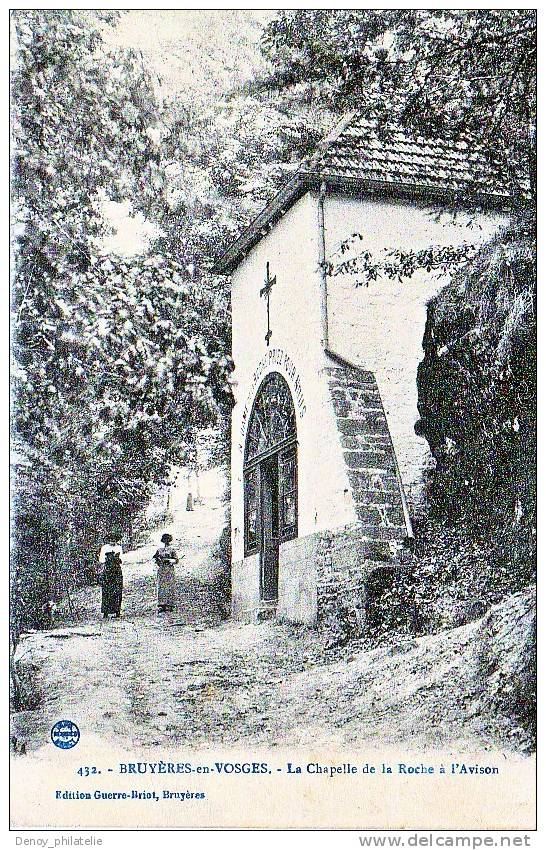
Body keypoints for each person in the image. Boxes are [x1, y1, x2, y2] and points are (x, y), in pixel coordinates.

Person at [154, 533, 179, 613]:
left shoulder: (172, 550)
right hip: (162, 569)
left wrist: (168, 560)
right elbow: (156, 560)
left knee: (169, 585)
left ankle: (170, 604)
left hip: (169, 569)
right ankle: (162, 604)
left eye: (167, 540)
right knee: (162, 586)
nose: (166, 542)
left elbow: (176, 560)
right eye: (165, 540)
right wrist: (159, 560)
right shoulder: (159, 550)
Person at [98, 542, 123, 619]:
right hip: (107, 572)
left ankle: (117, 611)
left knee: (117, 591)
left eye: (114, 540)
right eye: (111, 540)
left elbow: (122, 560)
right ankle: (105, 612)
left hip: (116, 571)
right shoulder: (104, 547)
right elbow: (101, 560)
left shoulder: (119, 547)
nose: (112, 542)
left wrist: (117, 559)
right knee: (106, 591)